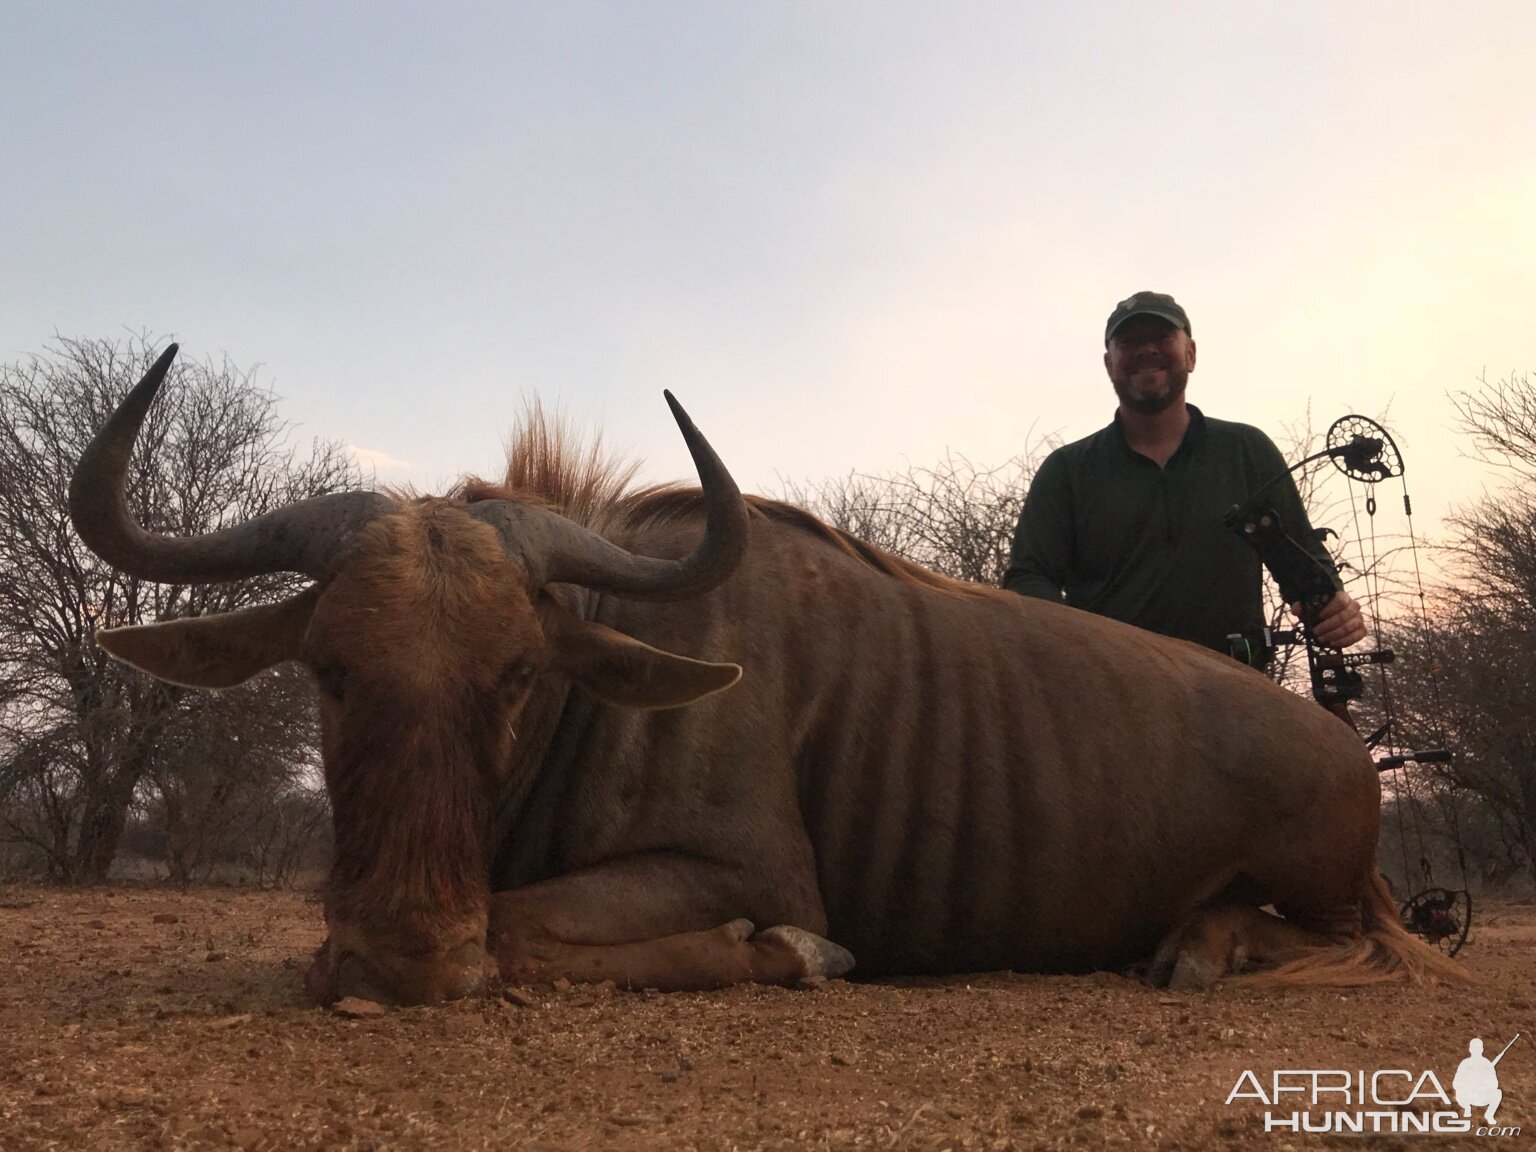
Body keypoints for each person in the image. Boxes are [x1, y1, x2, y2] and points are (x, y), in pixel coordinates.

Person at [1003, 290, 1365, 660]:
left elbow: (1301, 549)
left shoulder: (1247, 449)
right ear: (1109, 363)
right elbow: (1028, 577)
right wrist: (1076, 649)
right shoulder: (1066, 470)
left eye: (1161, 338)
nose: (1146, 350)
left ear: (1190, 354)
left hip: (1238, 692)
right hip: (1113, 694)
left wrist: (1336, 606)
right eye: (1129, 342)